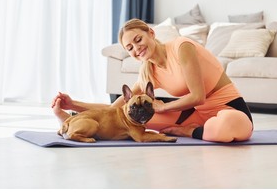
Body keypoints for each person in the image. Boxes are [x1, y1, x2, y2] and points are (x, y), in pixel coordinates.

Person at [52, 18, 253, 142]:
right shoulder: (148, 70)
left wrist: (164, 108)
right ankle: (69, 122)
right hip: (195, 114)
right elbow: (114, 110)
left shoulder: (182, 47)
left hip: (229, 109)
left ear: (151, 33)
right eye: (129, 48)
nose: (136, 48)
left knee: (225, 127)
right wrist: (74, 105)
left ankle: (188, 132)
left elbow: (198, 97)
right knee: (129, 121)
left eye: (138, 40)